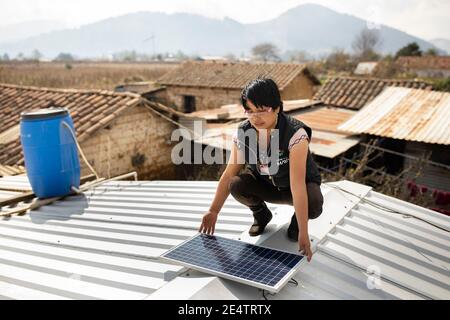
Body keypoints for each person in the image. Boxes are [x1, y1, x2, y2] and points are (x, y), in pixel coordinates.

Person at [198, 78, 324, 262]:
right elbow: (228, 175)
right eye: (249, 111)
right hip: (266, 185)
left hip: (293, 189)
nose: (255, 117)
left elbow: (297, 184)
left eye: (262, 110)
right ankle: (262, 215)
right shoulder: (244, 133)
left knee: (314, 202)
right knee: (236, 184)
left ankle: (297, 222)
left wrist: (304, 233)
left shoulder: (295, 134)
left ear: (277, 108)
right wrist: (213, 211)